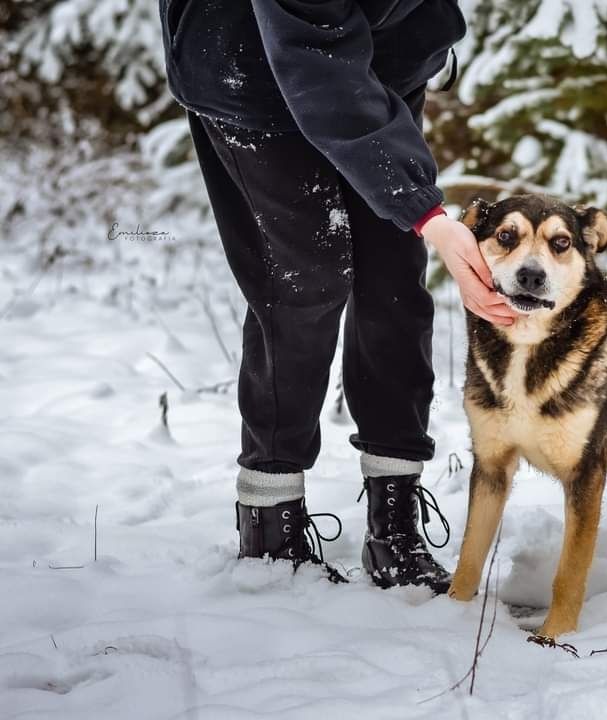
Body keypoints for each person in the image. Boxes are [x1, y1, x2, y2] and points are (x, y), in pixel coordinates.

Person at [158, 0, 515, 592]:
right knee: (304, 278)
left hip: (379, 66)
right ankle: (270, 521)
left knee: (395, 275)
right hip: (246, 74)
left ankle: (394, 518)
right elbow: (316, 59)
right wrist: (429, 215)